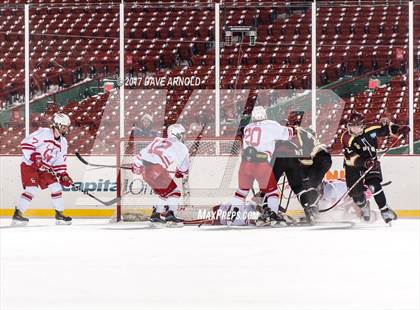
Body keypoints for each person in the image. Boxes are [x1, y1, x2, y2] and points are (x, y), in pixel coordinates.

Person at [230, 106, 295, 227]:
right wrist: (293, 128)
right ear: (264, 115)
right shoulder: (270, 124)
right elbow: (288, 134)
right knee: (272, 192)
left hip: (245, 163)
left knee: (241, 192)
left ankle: (233, 216)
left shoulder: (248, 127)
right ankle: (273, 214)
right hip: (261, 162)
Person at [340, 111, 410, 223]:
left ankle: (385, 210)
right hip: (353, 166)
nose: (354, 129)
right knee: (356, 195)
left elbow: (388, 128)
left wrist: (400, 129)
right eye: (351, 126)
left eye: (357, 126)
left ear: (363, 125)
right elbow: (350, 157)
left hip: (372, 162)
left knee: (374, 184)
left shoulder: (371, 130)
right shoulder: (346, 137)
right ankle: (363, 206)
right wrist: (364, 162)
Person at [270, 111, 332, 222]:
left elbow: (307, 157)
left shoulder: (292, 134)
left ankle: (270, 209)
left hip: (313, 160)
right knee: (301, 186)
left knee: (303, 184)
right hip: (315, 159)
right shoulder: (304, 133)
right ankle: (311, 209)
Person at [12, 113, 73, 225]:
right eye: (64, 127)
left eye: (67, 127)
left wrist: (63, 174)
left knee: (56, 186)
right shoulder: (44, 133)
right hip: (30, 164)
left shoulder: (63, 143)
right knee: (31, 189)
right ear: (57, 125)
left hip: (45, 167)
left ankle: (59, 214)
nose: (66, 129)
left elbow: (59, 162)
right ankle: (18, 214)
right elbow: (25, 143)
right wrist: (35, 157)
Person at [131, 124, 189, 226]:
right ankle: (171, 216)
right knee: (174, 193)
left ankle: (156, 215)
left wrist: (136, 166)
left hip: (146, 171)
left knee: (163, 193)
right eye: (182, 134)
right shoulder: (180, 146)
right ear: (176, 133)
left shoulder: (157, 140)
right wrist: (182, 173)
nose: (183, 136)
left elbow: (142, 154)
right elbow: (183, 166)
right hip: (157, 169)